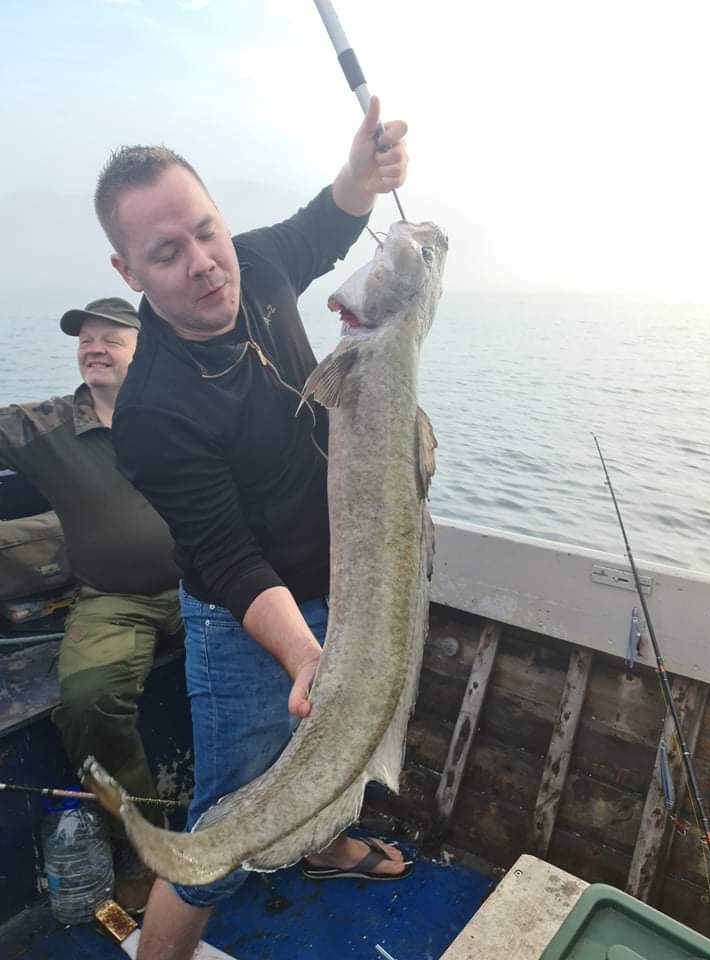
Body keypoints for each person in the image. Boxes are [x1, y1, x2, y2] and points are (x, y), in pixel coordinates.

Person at [95, 96, 410, 960]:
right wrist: (303, 655)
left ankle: (324, 846)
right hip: (241, 619)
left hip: (342, 582)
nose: (205, 265)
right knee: (221, 834)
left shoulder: (256, 262)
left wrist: (362, 172)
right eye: (167, 253)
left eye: (207, 231)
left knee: (331, 762)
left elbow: (326, 224)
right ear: (129, 271)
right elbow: (228, 558)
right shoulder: (153, 411)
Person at [0, 297, 182, 912]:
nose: (94, 348)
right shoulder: (46, 425)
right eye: (86, 340)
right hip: (114, 598)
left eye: (112, 338)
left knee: (286, 666)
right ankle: (147, 846)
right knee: (87, 700)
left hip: (209, 587)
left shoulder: (183, 413)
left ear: (145, 350)